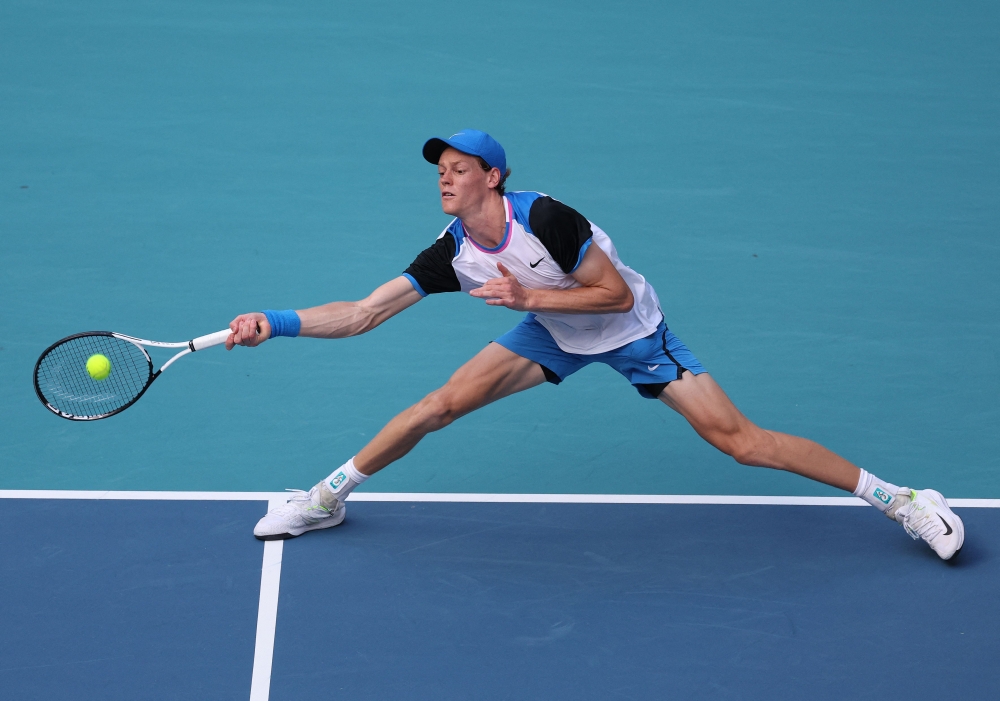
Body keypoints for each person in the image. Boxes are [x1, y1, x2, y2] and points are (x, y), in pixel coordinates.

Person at [227, 129, 964, 560]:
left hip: (632, 331)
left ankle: (900, 498)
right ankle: (326, 498)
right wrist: (275, 320)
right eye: (439, 171)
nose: (444, 179)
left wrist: (527, 297)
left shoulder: (547, 218)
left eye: (458, 169)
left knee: (742, 442)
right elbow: (361, 313)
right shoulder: (454, 251)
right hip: (551, 332)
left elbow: (613, 294)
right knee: (437, 405)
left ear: (493, 175)